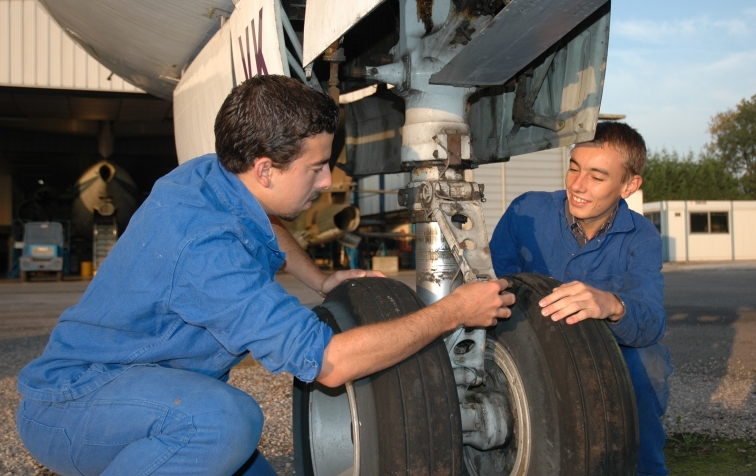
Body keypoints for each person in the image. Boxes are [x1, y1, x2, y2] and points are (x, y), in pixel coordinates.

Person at [17, 75, 514, 476]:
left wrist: (319, 280)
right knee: (225, 424)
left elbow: (265, 224)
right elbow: (329, 363)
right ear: (264, 169)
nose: (327, 181)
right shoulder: (208, 254)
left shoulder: (211, 177)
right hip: (76, 404)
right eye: (316, 168)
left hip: (148, 388)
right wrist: (453, 311)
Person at [489, 121, 672, 476]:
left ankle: (646, 467)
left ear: (629, 185)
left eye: (597, 176)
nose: (577, 185)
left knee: (646, 364)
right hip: (529, 339)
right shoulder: (526, 213)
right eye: (574, 167)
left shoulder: (642, 237)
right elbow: (490, 283)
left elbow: (652, 322)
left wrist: (613, 305)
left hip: (605, 346)